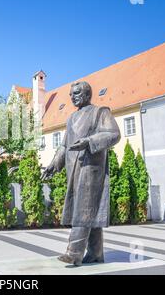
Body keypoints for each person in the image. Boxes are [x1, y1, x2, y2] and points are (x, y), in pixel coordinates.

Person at [41, 81, 120, 266]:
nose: (72, 97)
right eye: (70, 94)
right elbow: (64, 145)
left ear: (87, 94)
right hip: (73, 170)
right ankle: (95, 254)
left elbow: (114, 134)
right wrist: (54, 164)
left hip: (91, 169)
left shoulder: (100, 112)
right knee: (88, 210)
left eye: (76, 93)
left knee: (83, 209)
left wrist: (89, 141)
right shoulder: (71, 118)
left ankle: (74, 253)